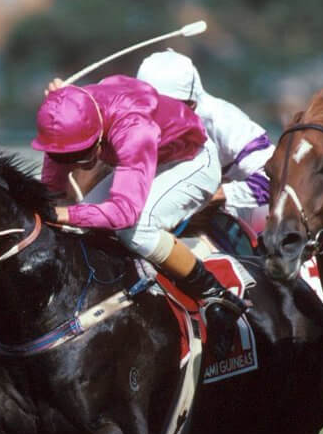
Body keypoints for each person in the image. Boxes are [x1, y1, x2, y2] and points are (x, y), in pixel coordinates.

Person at [33, 75, 246, 358]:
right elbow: (51, 192)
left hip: (190, 161)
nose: (75, 164)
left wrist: (62, 213)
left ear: (95, 134)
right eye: (64, 157)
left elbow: (123, 213)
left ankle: (216, 297)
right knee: (78, 229)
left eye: (83, 154)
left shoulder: (133, 127)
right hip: (144, 158)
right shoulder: (65, 123)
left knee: (135, 229)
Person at [136, 49, 272, 232]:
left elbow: (272, 180)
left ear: (191, 103)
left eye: (165, 106)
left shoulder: (223, 120)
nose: (157, 115)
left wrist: (213, 194)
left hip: (244, 214)